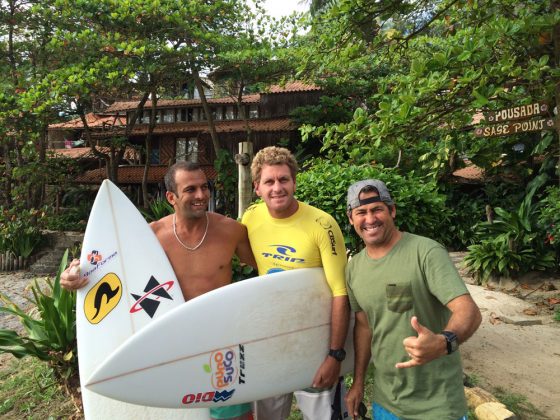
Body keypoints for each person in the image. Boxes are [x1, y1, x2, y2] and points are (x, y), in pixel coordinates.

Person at [61, 161, 257, 420]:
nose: (201, 195)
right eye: (190, 189)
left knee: (234, 414)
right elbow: (108, 272)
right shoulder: (151, 237)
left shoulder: (231, 230)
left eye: (204, 187)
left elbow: (265, 265)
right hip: (171, 341)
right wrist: (72, 276)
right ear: (171, 197)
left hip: (219, 339)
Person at [343, 179, 482, 420]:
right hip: (386, 401)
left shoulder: (426, 252)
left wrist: (443, 342)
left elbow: (468, 310)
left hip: (437, 404)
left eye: (377, 209)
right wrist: (358, 383)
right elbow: (364, 327)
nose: (370, 219)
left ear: (392, 210)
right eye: (361, 212)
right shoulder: (354, 268)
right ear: (351, 218)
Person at [241, 146, 350, 420]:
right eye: (269, 181)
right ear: (257, 187)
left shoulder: (322, 224)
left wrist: (335, 354)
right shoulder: (251, 217)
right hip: (271, 340)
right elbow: (255, 264)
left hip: (315, 341)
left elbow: (340, 292)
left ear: (294, 183)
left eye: (283, 180)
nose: (277, 188)